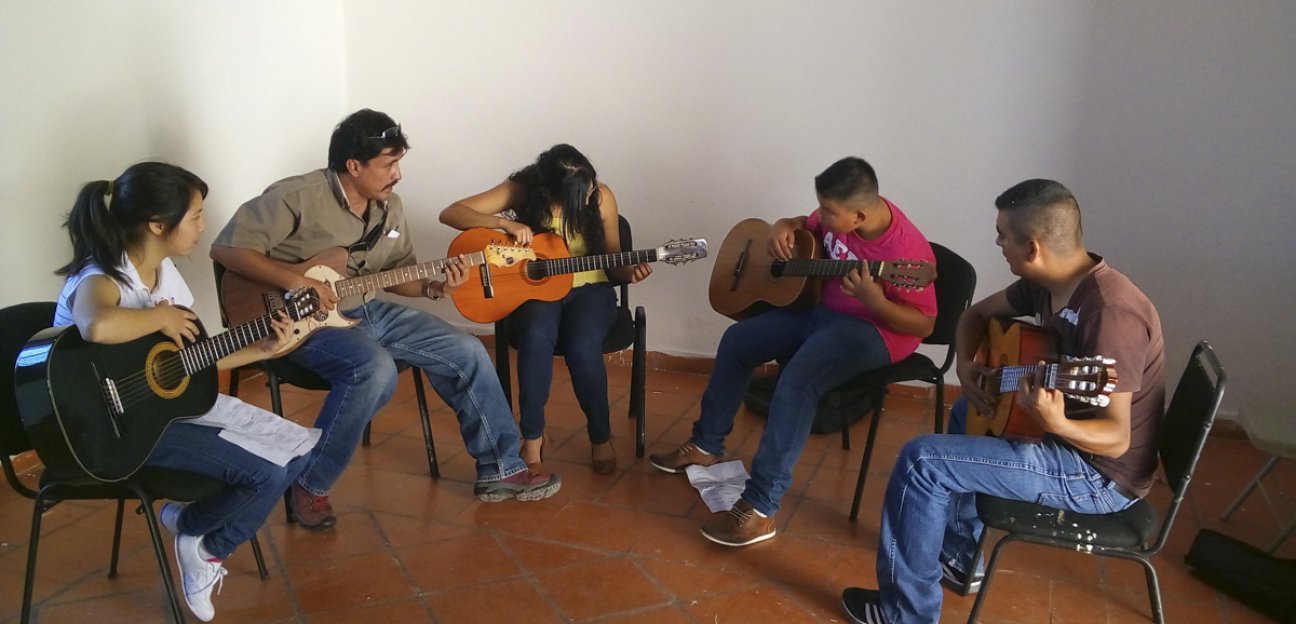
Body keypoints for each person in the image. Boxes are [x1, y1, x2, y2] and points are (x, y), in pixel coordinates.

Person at [210, 109, 561, 531]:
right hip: (297, 322)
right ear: (353, 166)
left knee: (466, 348)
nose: (399, 174)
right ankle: (310, 482)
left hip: (363, 309)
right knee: (373, 370)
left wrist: (436, 288)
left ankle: (501, 470)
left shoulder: (390, 208)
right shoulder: (296, 196)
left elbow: (399, 276)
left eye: (399, 162)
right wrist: (294, 282)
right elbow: (227, 249)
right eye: (389, 164)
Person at [840, 179, 1166, 624]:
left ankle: (905, 616)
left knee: (921, 462)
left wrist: (1056, 422)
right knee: (966, 409)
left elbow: (1115, 438)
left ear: (1031, 248)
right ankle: (958, 556)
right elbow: (974, 316)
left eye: (1002, 235)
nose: (997, 242)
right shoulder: (1049, 281)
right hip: (1064, 442)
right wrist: (968, 370)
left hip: (1099, 477)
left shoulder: (1111, 315)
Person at [54, 162, 319, 621]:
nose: (203, 225)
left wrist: (264, 349)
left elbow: (190, 362)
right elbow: (95, 324)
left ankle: (187, 524)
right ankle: (204, 547)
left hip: (157, 410)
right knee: (267, 474)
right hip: (107, 430)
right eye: (195, 215)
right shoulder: (102, 276)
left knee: (300, 449)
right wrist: (160, 317)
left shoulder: (165, 274)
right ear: (158, 224)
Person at [650, 157, 937, 546]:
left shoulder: (907, 252)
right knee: (737, 342)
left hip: (875, 331)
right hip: (822, 312)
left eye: (828, 211)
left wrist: (875, 301)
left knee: (798, 379)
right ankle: (705, 445)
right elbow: (807, 223)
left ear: (858, 216)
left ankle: (760, 508)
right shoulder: (839, 215)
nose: (820, 215)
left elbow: (924, 324)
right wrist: (785, 225)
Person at [439, 144, 652, 474]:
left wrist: (630, 272)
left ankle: (600, 436)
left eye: (589, 190)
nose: (586, 199)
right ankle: (533, 437)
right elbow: (451, 212)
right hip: (537, 289)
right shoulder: (521, 190)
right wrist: (504, 225)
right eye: (576, 196)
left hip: (590, 290)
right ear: (550, 192)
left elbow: (615, 259)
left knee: (583, 348)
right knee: (536, 338)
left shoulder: (601, 196)